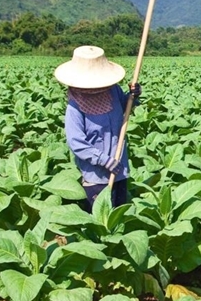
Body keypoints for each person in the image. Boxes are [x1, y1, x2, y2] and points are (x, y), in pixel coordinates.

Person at [54, 46, 141, 210]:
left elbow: (125, 107)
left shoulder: (112, 90)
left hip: (119, 168)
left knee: (119, 216)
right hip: (96, 175)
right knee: (100, 222)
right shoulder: (75, 106)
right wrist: (105, 161)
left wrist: (133, 96)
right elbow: (76, 143)